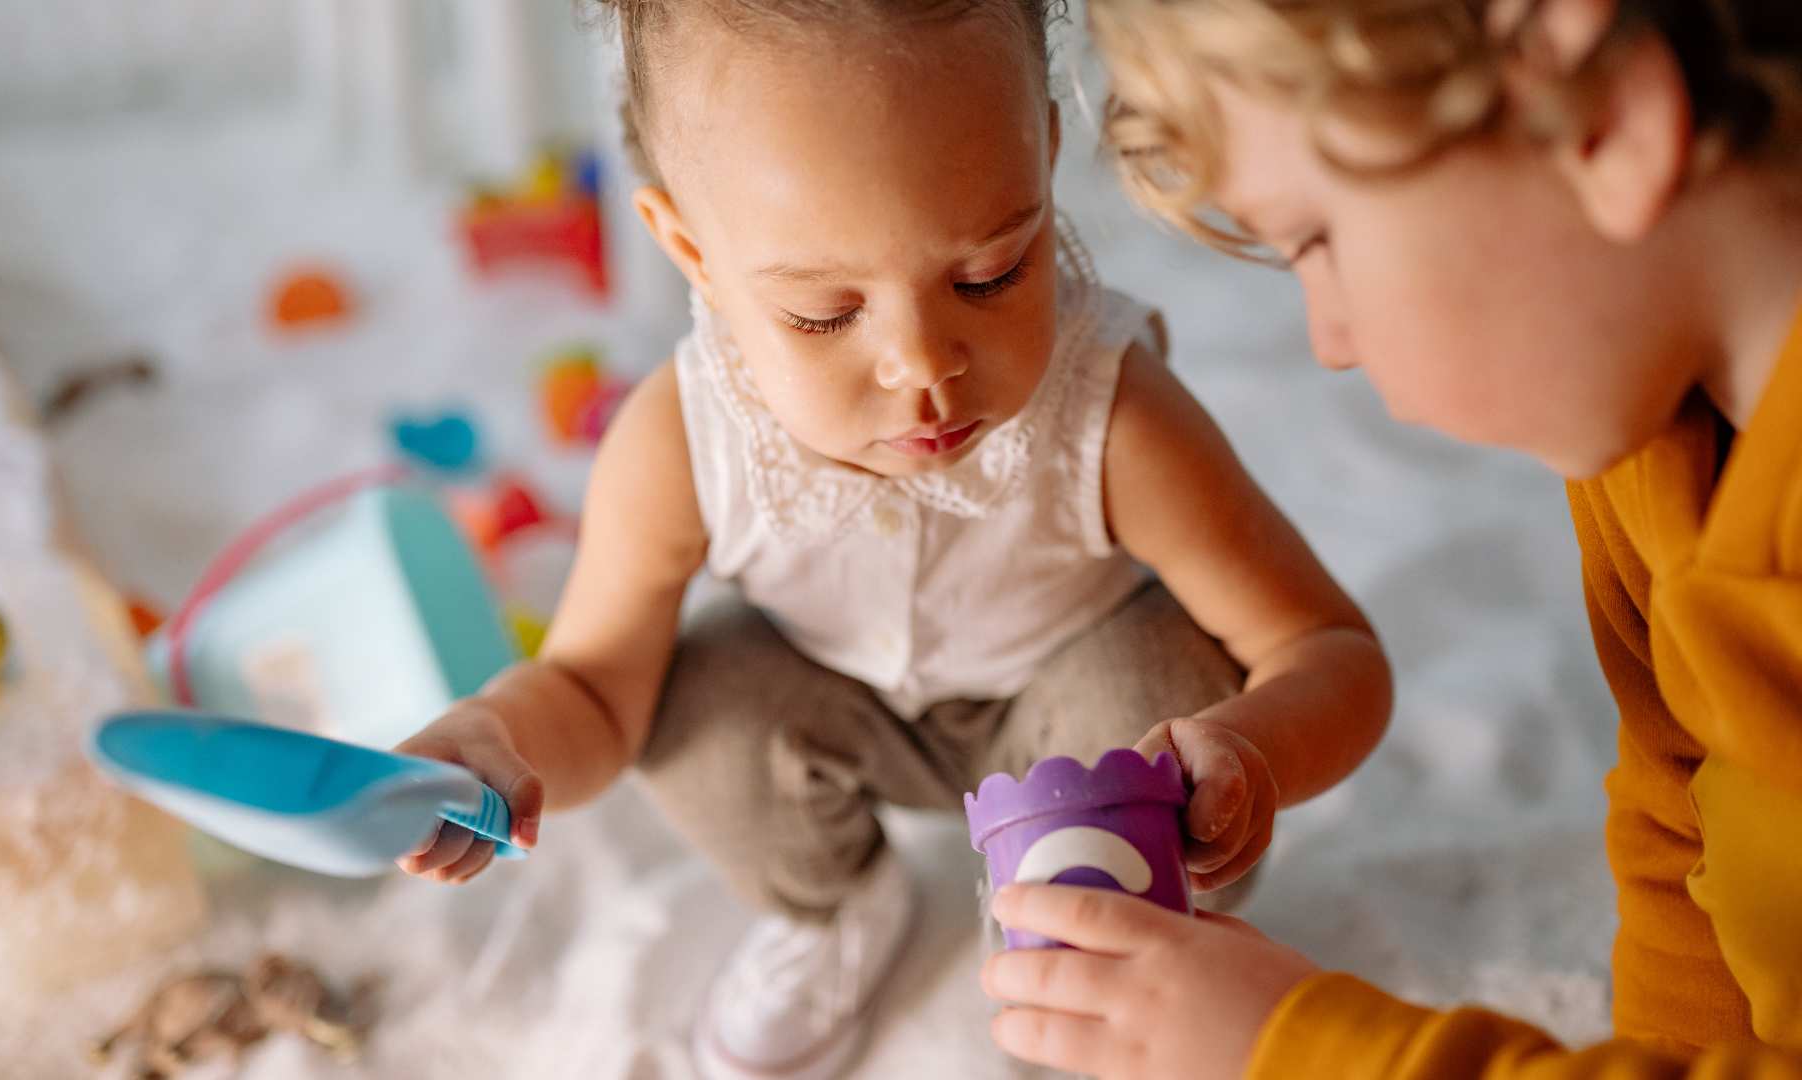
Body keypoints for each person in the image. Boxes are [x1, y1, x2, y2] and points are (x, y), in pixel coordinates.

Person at [397, 3, 1390, 1078]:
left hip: (1076, 720)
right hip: (837, 713)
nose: (923, 365)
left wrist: (1251, 753)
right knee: (694, 709)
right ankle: (839, 908)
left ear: (1045, 156)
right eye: (824, 314)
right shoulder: (680, 442)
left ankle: (1100, 931)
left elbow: (1330, 651)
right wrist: (501, 737)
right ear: (692, 249)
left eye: (990, 275)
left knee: (1160, 682)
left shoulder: (1116, 417)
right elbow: (595, 693)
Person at [981, 0, 1802, 1076]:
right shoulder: (1652, 436)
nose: (1329, 342)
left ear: (1600, 115)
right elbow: (1680, 822)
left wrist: (1301, 1049)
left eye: (1316, 239)